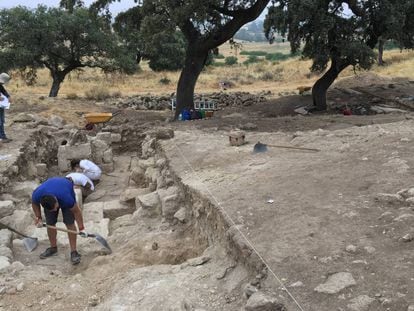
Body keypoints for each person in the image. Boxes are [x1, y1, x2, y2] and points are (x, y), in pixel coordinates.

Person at [31, 177, 87, 265]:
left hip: (64, 186)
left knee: (69, 223)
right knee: (50, 223)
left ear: (57, 201)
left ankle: (74, 252)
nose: (55, 210)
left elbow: (77, 212)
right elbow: (34, 203)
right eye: (52, 210)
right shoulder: (37, 195)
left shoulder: (66, 198)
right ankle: (53, 248)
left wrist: (81, 228)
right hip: (50, 187)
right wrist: (38, 217)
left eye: (56, 208)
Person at [0, 73, 12, 143]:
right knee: (0, 121)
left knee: (2, 121)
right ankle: (2, 137)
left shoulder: (0, 85)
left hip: (1, 106)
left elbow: (4, 91)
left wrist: (8, 96)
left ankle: (3, 137)